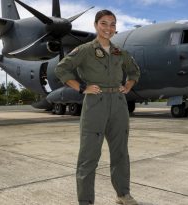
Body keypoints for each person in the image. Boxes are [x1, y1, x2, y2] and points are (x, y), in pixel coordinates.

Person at [55, 9, 140, 205]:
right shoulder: (85, 50)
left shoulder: (120, 52)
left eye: (112, 24)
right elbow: (62, 68)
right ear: (95, 25)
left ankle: (123, 194)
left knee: (120, 152)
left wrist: (128, 85)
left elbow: (134, 71)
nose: (108, 28)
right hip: (95, 104)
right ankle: (86, 201)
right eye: (104, 23)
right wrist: (81, 88)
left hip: (118, 105)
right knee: (89, 155)